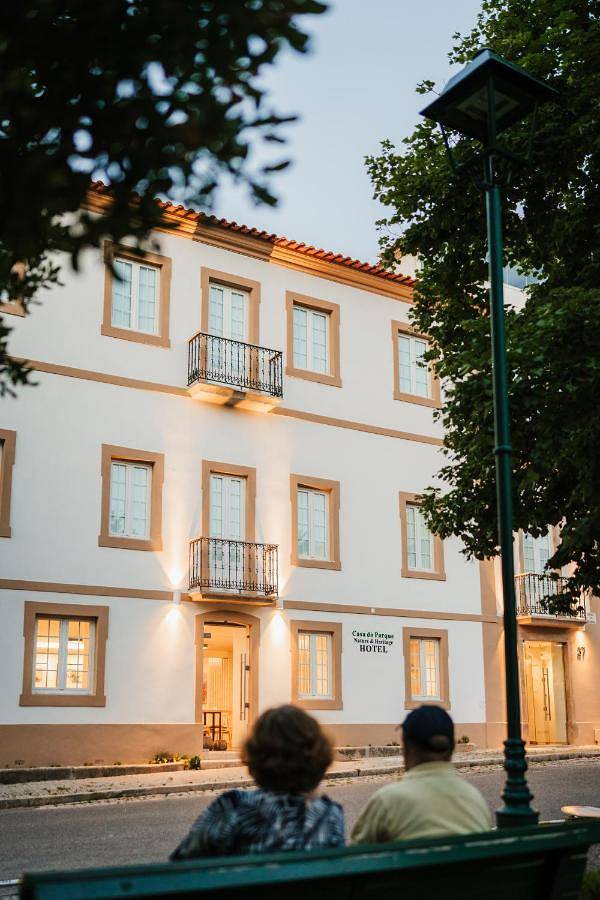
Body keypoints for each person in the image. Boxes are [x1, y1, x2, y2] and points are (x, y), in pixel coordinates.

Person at [171, 704, 345, 859]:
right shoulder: (330, 815)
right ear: (319, 757)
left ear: (256, 754)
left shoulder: (234, 807)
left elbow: (182, 865)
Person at [351, 705, 491, 844]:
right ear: (452, 748)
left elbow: (354, 857)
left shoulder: (387, 801)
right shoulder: (475, 800)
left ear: (407, 749)